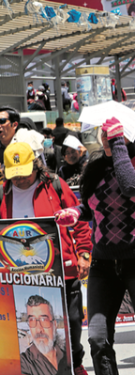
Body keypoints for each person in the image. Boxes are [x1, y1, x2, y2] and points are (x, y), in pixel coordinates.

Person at [54, 117, 135, 375]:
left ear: (128, 134)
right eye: (104, 134)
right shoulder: (95, 166)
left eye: (114, 133)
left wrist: (118, 146)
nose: (106, 138)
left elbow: (131, 186)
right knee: (97, 338)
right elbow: (92, 206)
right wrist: (76, 212)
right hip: (103, 263)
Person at [1, 142, 92, 375]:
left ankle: (76, 361)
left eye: (23, 174)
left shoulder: (55, 186)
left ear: (35, 165)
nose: (19, 180)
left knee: (71, 320)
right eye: (14, 176)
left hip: (61, 267)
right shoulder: (3, 192)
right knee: (28, 322)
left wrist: (84, 253)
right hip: (18, 274)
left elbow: (80, 220)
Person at [20, 295, 70, 375]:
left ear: (54, 325)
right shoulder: (23, 364)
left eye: (44, 320)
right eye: (32, 320)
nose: (39, 329)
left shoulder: (68, 355)